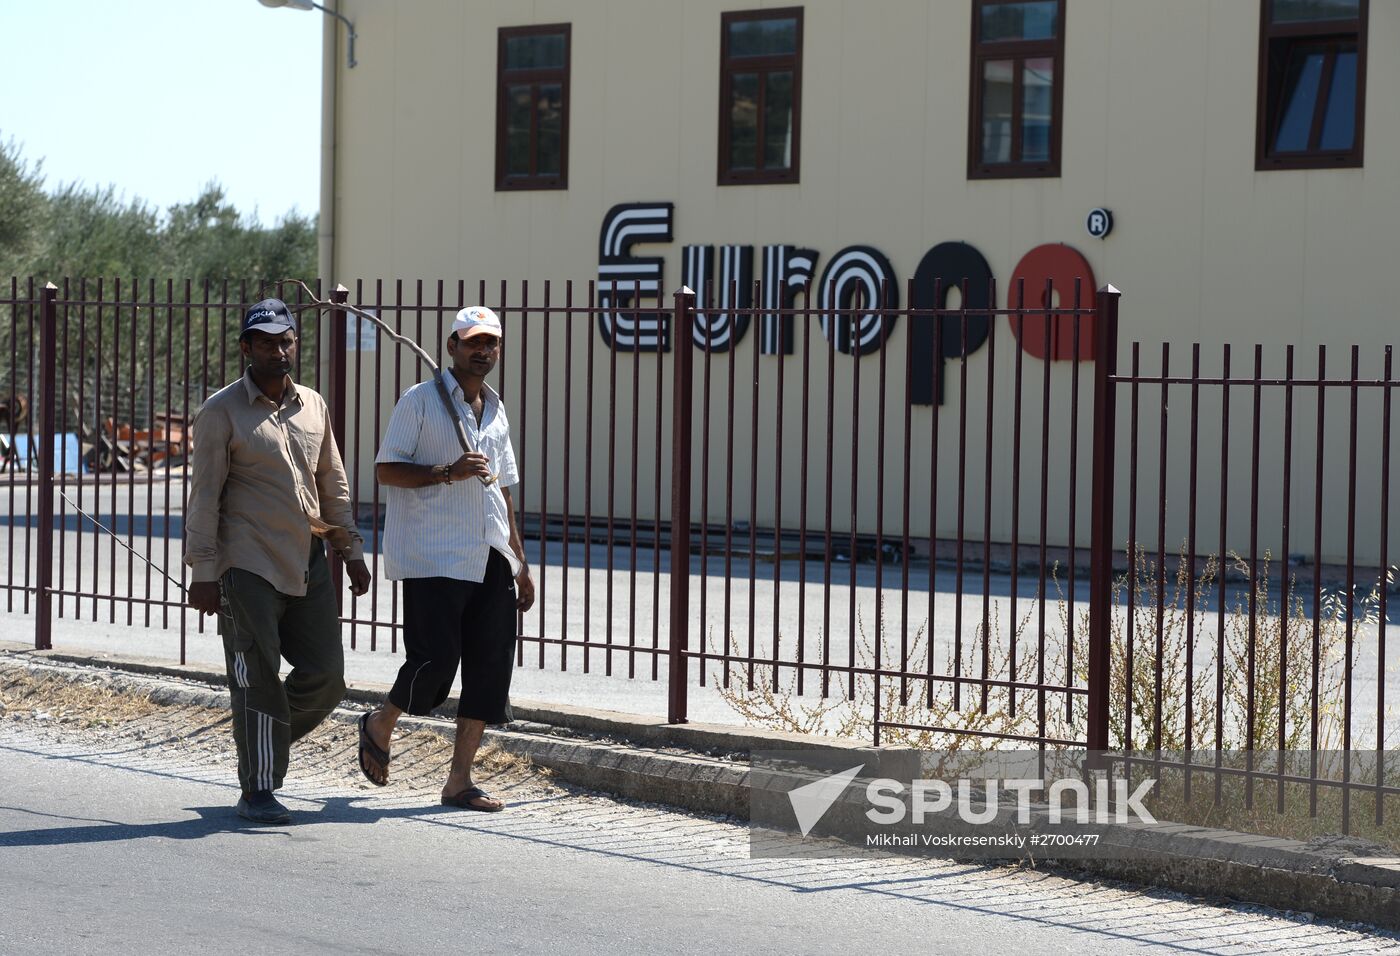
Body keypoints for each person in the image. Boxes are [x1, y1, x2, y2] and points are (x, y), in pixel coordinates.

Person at [184, 297, 372, 825]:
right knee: (257, 676)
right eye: (265, 341)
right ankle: (259, 787)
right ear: (246, 347)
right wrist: (203, 574)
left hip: (308, 559)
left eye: (285, 339)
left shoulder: (313, 405)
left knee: (327, 676)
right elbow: (204, 499)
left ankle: (261, 740)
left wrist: (349, 548)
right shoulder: (221, 412)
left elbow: (331, 482)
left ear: (296, 342)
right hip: (246, 563)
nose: (278, 349)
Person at [358, 305, 534, 811]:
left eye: (491, 343)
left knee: (489, 667)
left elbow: (502, 490)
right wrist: (446, 472)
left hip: (491, 554)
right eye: (473, 342)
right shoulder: (419, 401)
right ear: (452, 346)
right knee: (434, 661)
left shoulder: (496, 409)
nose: (483, 351)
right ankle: (380, 722)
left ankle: (459, 780)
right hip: (436, 554)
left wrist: (519, 561)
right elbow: (387, 471)